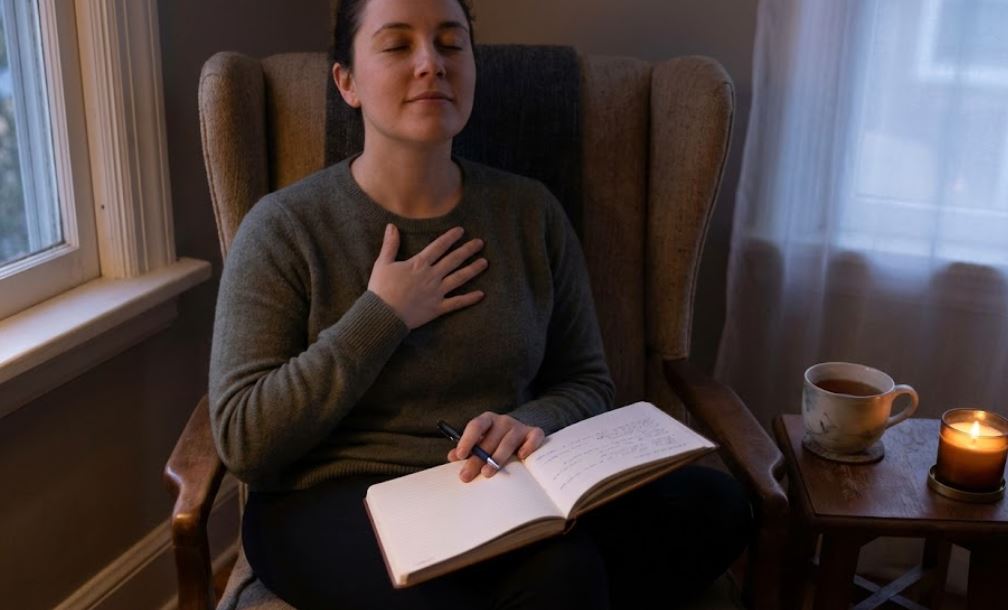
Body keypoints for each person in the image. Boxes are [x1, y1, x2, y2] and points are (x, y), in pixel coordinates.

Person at [209, 0, 753, 608]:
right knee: (559, 580)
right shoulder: (284, 228)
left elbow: (589, 382)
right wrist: (381, 315)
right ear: (347, 82)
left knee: (717, 506)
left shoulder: (529, 212)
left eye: (450, 43)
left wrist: (533, 421)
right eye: (396, 45)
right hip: (332, 497)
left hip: (495, 487)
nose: (431, 64)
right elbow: (243, 438)